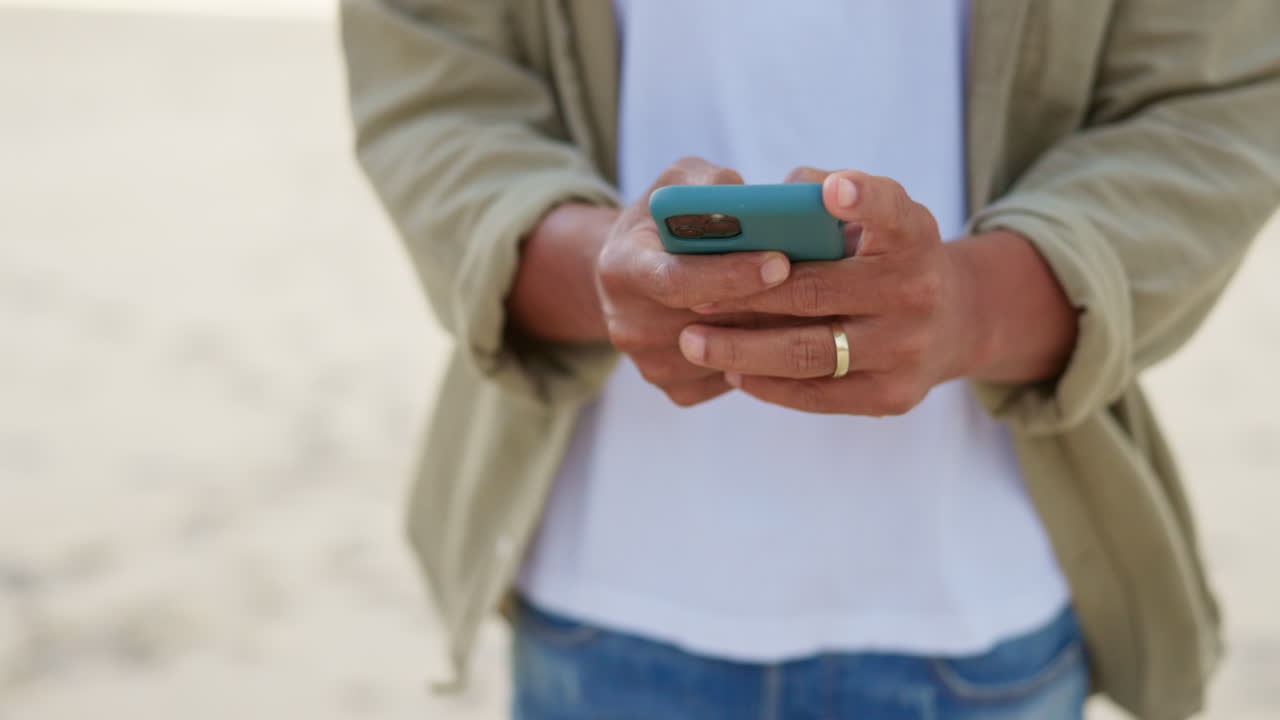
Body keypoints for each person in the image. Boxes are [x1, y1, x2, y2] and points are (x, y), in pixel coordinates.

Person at [340, 2, 1280, 718]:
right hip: (603, 593)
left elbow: (1215, 102)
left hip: (983, 597)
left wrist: (975, 306)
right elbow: (433, 86)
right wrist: (602, 271)